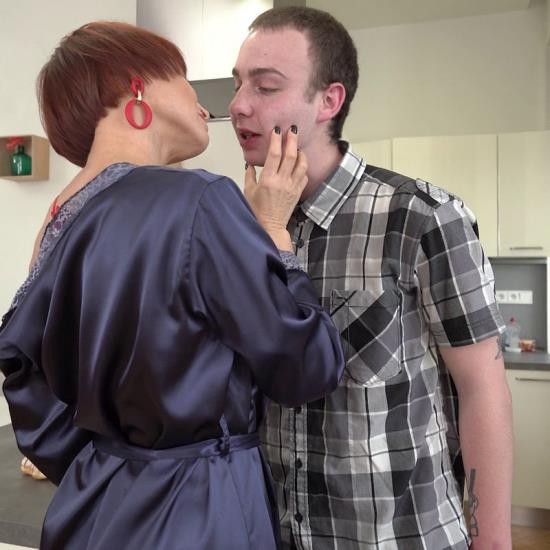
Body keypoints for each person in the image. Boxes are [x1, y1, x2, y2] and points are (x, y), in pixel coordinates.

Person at [0, 21, 346, 550]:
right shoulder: (199, 199)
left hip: (93, 508)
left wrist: (117, 460)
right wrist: (275, 236)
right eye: (185, 80)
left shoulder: (58, 219)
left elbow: (24, 375)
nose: (206, 106)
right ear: (138, 86)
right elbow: (308, 366)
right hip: (201, 511)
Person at [230, 6, 513, 550]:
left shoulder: (421, 217)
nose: (239, 104)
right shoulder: (238, 225)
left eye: (265, 86)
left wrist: (492, 541)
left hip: (400, 538)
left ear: (328, 101)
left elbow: (482, 388)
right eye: (238, 83)